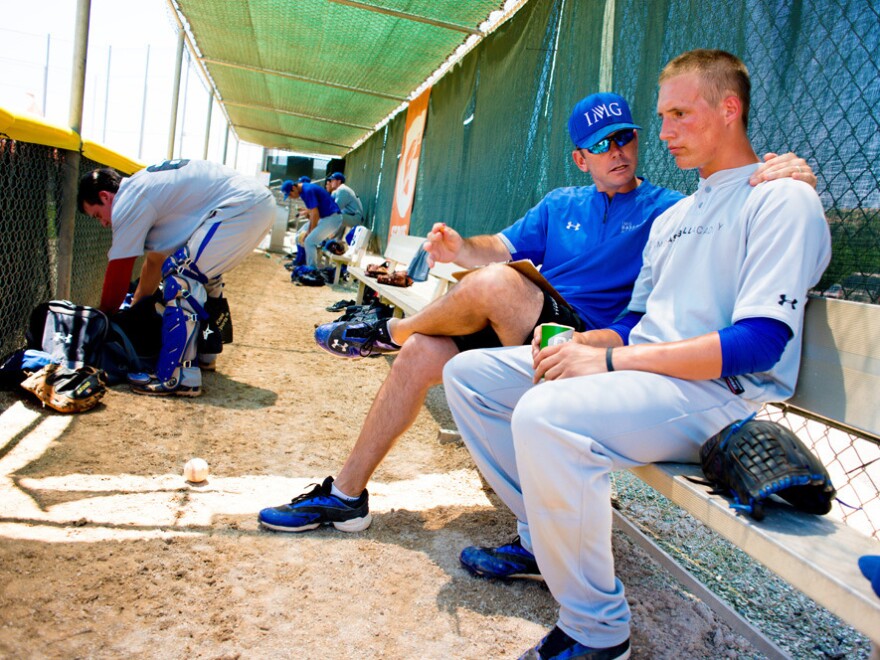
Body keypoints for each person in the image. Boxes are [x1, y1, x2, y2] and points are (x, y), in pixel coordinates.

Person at [257, 89, 814, 533]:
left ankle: (386, 329)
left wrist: (790, 170)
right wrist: (457, 249)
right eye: (603, 144)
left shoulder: (668, 208)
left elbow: (731, 196)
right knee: (425, 352)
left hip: (589, 341)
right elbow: (496, 248)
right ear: (581, 157)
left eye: (626, 138)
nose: (618, 152)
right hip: (532, 323)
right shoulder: (560, 204)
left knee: (497, 286)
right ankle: (347, 494)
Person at [442, 49, 831, 659]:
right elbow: (638, 320)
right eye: (662, 116)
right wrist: (595, 342)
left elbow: (759, 344)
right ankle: (546, 544)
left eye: (680, 113)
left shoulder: (780, 198)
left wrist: (610, 363)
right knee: (470, 376)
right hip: (645, 378)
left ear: (729, 109)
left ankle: (597, 633)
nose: (665, 132)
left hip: (717, 395)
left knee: (547, 417)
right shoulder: (676, 214)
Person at [77, 158, 275, 396]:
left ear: (106, 196)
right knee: (203, 277)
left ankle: (179, 376)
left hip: (242, 206)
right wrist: (135, 311)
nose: (103, 223)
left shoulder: (126, 200)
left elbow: (119, 270)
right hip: (253, 204)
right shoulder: (145, 188)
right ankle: (206, 354)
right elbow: (153, 262)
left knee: (182, 277)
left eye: (98, 214)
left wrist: (105, 317)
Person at [281, 178, 343, 267]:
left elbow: (315, 214)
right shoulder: (303, 191)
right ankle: (303, 263)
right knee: (304, 237)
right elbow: (313, 213)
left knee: (309, 242)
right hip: (327, 217)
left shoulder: (307, 190)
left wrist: (310, 232)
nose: (291, 197)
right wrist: (308, 232)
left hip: (332, 218)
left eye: (290, 194)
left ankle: (312, 271)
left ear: (294, 188)